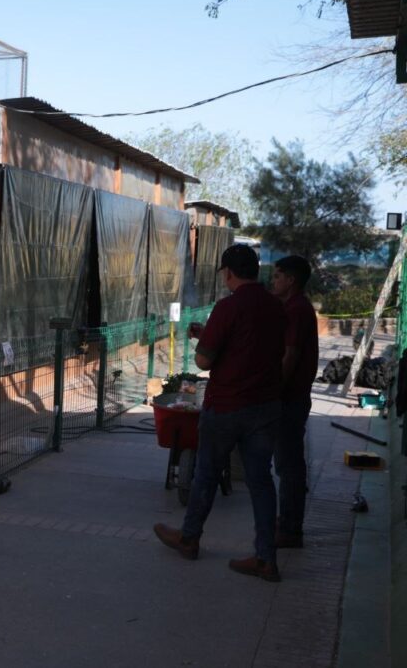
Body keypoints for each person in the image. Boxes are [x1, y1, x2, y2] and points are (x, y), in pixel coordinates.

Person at [154, 244, 287, 582]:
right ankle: (266, 558)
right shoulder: (277, 307)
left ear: (228, 272)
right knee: (260, 482)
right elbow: (258, 346)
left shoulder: (228, 307)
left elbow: (204, 361)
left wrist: (206, 341)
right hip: (265, 407)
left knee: (206, 474)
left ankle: (189, 538)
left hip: (227, 406)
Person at [271, 255, 318, 549]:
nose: (273, 280)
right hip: (291, 397)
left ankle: (289, 528)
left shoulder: (297, 310)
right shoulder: (293, 307)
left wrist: (273, 390)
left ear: (290, 280)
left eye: (277, 276)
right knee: (287, 463)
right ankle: (287, 521)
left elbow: (289, 355)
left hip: (290, 398)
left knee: (288, 465)